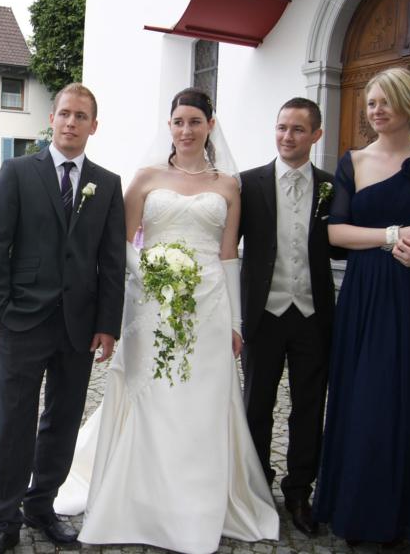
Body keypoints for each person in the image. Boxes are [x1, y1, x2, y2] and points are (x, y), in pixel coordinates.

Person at [54, 87, 278, 553]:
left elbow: (228, 254)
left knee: (200, 400)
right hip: (151, 303)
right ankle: (139, 499)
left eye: (195, 121)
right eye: (178, 121)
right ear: (169, 125)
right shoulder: (146, 178)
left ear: (210, 126)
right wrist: (155, 276)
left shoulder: (227, 185)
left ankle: (196, 504)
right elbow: (120, 243)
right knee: (151, 393)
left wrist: (236, 322)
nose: (185, 130)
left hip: (209, 305)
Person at [312, 67, 410, 549]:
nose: (375, 111)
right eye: (371, 103)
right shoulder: (354, 161)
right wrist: (394, 235)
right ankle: (359, 511)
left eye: (385, 102)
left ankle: (408, 517)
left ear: (408, 104)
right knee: (367, 398)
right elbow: (336, 231)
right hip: (366, 292)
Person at [0, 83, 126, 554]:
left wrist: (108, 324)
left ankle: (41, 506)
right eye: (65, 113)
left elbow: (112, 261)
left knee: (62, 420)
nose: (71, 123)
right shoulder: (18, 172)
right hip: (22, 320)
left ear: (93, 126)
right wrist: (0, 311)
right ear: (52, 118)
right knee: (14, 421)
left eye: (81, 116)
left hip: (78, 325)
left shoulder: (107, 184)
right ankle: (2, 520)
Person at [238, 97, 339, 536]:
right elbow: (227, 246)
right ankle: (257, 484)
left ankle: (299, 491)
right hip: (264, 313)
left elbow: (341, 243)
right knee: (256, 404)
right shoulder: (249, 183)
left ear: (316, 134)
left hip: (312, 315)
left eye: (298, 129)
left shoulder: (331, 186)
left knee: (309, 407)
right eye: (282, 127)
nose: (287, 136)